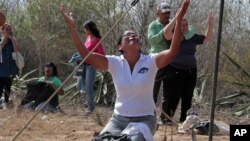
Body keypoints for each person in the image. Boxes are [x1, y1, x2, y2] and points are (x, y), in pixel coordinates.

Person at [60, 0, 189, 140]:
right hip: (118, 120)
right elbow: (86, 56)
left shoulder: (151, 60)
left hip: (144, 119)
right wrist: (71, 27)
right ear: (120, 47)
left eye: (135, 36)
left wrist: (179, 17)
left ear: (140, 44)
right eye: (127, 36)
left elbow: (172, 52)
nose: (132, 36)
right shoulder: (114, 62)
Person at [147, 2, 195, 125]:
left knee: (169, 92)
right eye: (164, 13)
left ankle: (165, 118)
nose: (167, 15)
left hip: (170, 62)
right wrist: (166, 30)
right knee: (152, 90)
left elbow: (188, 32)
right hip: (156, 60)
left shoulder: (173, 24)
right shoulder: (153, 25)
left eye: (169, 12)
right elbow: (153, 40)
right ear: (157, 13)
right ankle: (148, 116)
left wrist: (179, 33)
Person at [163, 11, 215, 123]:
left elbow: (207, 38)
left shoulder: (192, 36)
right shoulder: (174, 36)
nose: (186, 27)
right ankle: (167, 120)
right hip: (175, 70)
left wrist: (210, 24)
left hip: (190, 71)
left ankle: (185, 120)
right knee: (174, 96)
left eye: (186, 24)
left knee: (187, 97)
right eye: (182, 25)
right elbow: (166, 33)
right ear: (177, 26)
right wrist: (177, 18)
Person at [78, 20, 105, 114]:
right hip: (82, 64)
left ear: (89, 29)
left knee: (89, 87)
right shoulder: (88, 37)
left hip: (91, 66)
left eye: (86, 29)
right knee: (79, 84)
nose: (85, 30)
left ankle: (91, 109)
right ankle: (87, 101)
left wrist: (92, 55)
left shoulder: (97, 40)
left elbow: (102, 54)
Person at [0, 23, 19, 110]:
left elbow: (16, 50)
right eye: (6, 29)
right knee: (0, 86)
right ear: (2, 31)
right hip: (1, 67)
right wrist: (5, 38)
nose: (8, 31)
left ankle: (7, 103)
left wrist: (12, 39)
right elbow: (0, 47)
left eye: (9, 29)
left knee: (8, 86)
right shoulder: (1, 39)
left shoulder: (12, 40)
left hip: (10, 67)